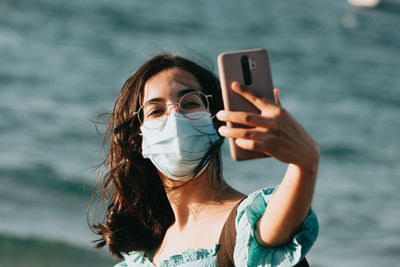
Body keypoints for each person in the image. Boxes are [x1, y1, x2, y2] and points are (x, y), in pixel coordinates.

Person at [90, 53, 320, 267]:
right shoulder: (143, 253)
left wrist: (304, 164)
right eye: (156, 111)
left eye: (190, 103)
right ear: (137, 139)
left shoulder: (246, 227)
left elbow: (276, 228)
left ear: (216, 120)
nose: (175, 117)